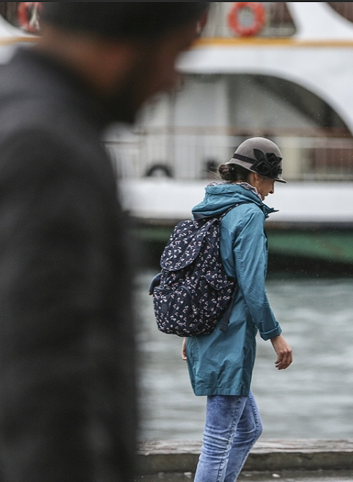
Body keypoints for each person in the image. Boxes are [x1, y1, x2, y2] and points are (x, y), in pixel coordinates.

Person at [0, 4, 208, 481]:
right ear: (125, 44)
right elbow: (47, 385)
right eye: (175, 54)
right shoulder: (49, 148)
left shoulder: (17, 111)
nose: (173, 80)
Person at [181, 137, 293, 482]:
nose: (272, 191)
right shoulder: (248, 214)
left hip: (207, 332)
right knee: (217, 442)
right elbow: (252, 287)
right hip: (228, 339)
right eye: (272, 181)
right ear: (257, 177)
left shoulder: (212, 207)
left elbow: (198, 272)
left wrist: (190, 331)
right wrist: (276, 337)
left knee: (248, 429)